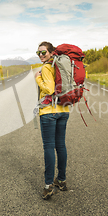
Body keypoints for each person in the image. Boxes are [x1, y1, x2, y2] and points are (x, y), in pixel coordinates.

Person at [35, 41, 70, 200]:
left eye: (43, 52)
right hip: (64, 110)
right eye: (39, 53)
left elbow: (49, 89)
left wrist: (38, 79)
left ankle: (48, 185)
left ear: (51, 53)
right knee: (60, 145)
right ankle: (61, 180)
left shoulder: (47, 68)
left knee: (49, 146)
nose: (41, 55)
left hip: (49, 112)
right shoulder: (62, 66)